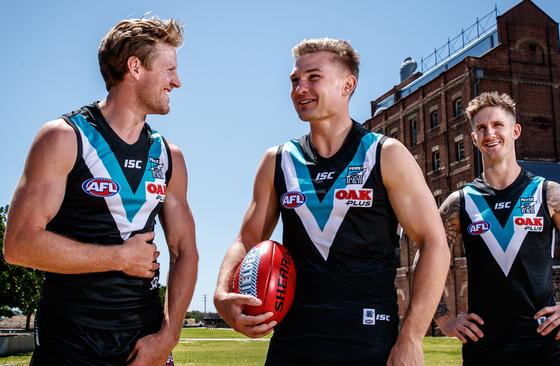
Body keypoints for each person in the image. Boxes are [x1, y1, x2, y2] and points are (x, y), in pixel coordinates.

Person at [214, 38, 449, 365]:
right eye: (295, 80)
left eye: (313, 77)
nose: (300, 88)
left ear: (347, 85)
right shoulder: (278, 160)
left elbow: (434, 242)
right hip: (294, 341)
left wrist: (411, 336)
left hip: (369, 340)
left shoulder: (385, 154)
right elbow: (247, 239)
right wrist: (222, 291)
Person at [3, 17, 198, 366]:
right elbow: (19, 244)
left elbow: (185, 251)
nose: (177, 81)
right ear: (135, 67)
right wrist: (118, 257)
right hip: (69, 348)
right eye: (169, 70)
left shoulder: (170, 156)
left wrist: (167, 337)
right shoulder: (63, 137)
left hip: (143, 348)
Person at [434, 92, 560, 365]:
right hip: (484, 348)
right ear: (473, 138)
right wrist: (444, 319)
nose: (489, 133)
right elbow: (427, 257)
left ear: (515, 131)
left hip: (543, 345)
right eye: (481, 128)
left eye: (497, 125)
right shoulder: (460, 202)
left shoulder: (547, 193)